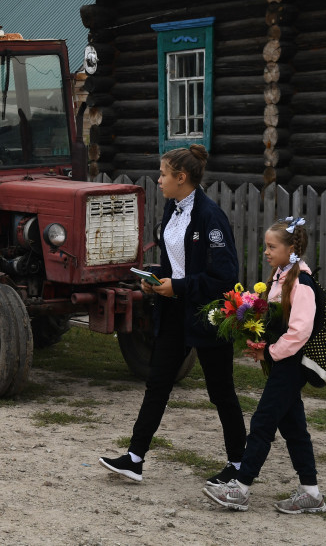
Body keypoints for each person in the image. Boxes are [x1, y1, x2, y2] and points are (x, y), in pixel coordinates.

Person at [99, 144, 246, 484]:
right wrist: (155, 281)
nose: (159, 180)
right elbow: (174, 263)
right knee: (157, 383)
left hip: (207, 316)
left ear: (182, 178)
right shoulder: (171, 208)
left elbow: (225, 277)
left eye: (163, 174)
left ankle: (239, 466)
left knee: (220, 391)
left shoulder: (211, 217)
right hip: (173, 313)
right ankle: (134, 459)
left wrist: (177, 286)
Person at [204, 217, 326, 513]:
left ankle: (241, 488)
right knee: (293, 426)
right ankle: (311, 493)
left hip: (291, 365)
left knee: (262, 422)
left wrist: (271, 352)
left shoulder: (302, 283)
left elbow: (299, 332)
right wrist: (261, 342)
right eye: (266, 246)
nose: (266, 252)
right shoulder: (281, 277)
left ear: (291, 249)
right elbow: (274, 320)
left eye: (272, 247)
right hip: (283, 362)